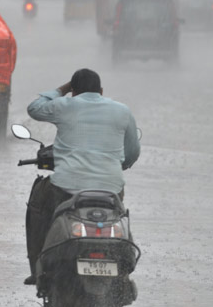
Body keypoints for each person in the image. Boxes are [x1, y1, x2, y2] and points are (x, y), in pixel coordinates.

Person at [23, 68, 140, 285]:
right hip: (111, 188)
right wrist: (115, 166)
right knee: (119, 216)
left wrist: (63, 89)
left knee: (38, 206)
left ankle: (38, 267)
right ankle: (124, 271)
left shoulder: (65, 104)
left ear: (74, 92)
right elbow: (132, 153)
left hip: (66, 187)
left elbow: (34, 109)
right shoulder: (122, 111)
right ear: (101, 91)